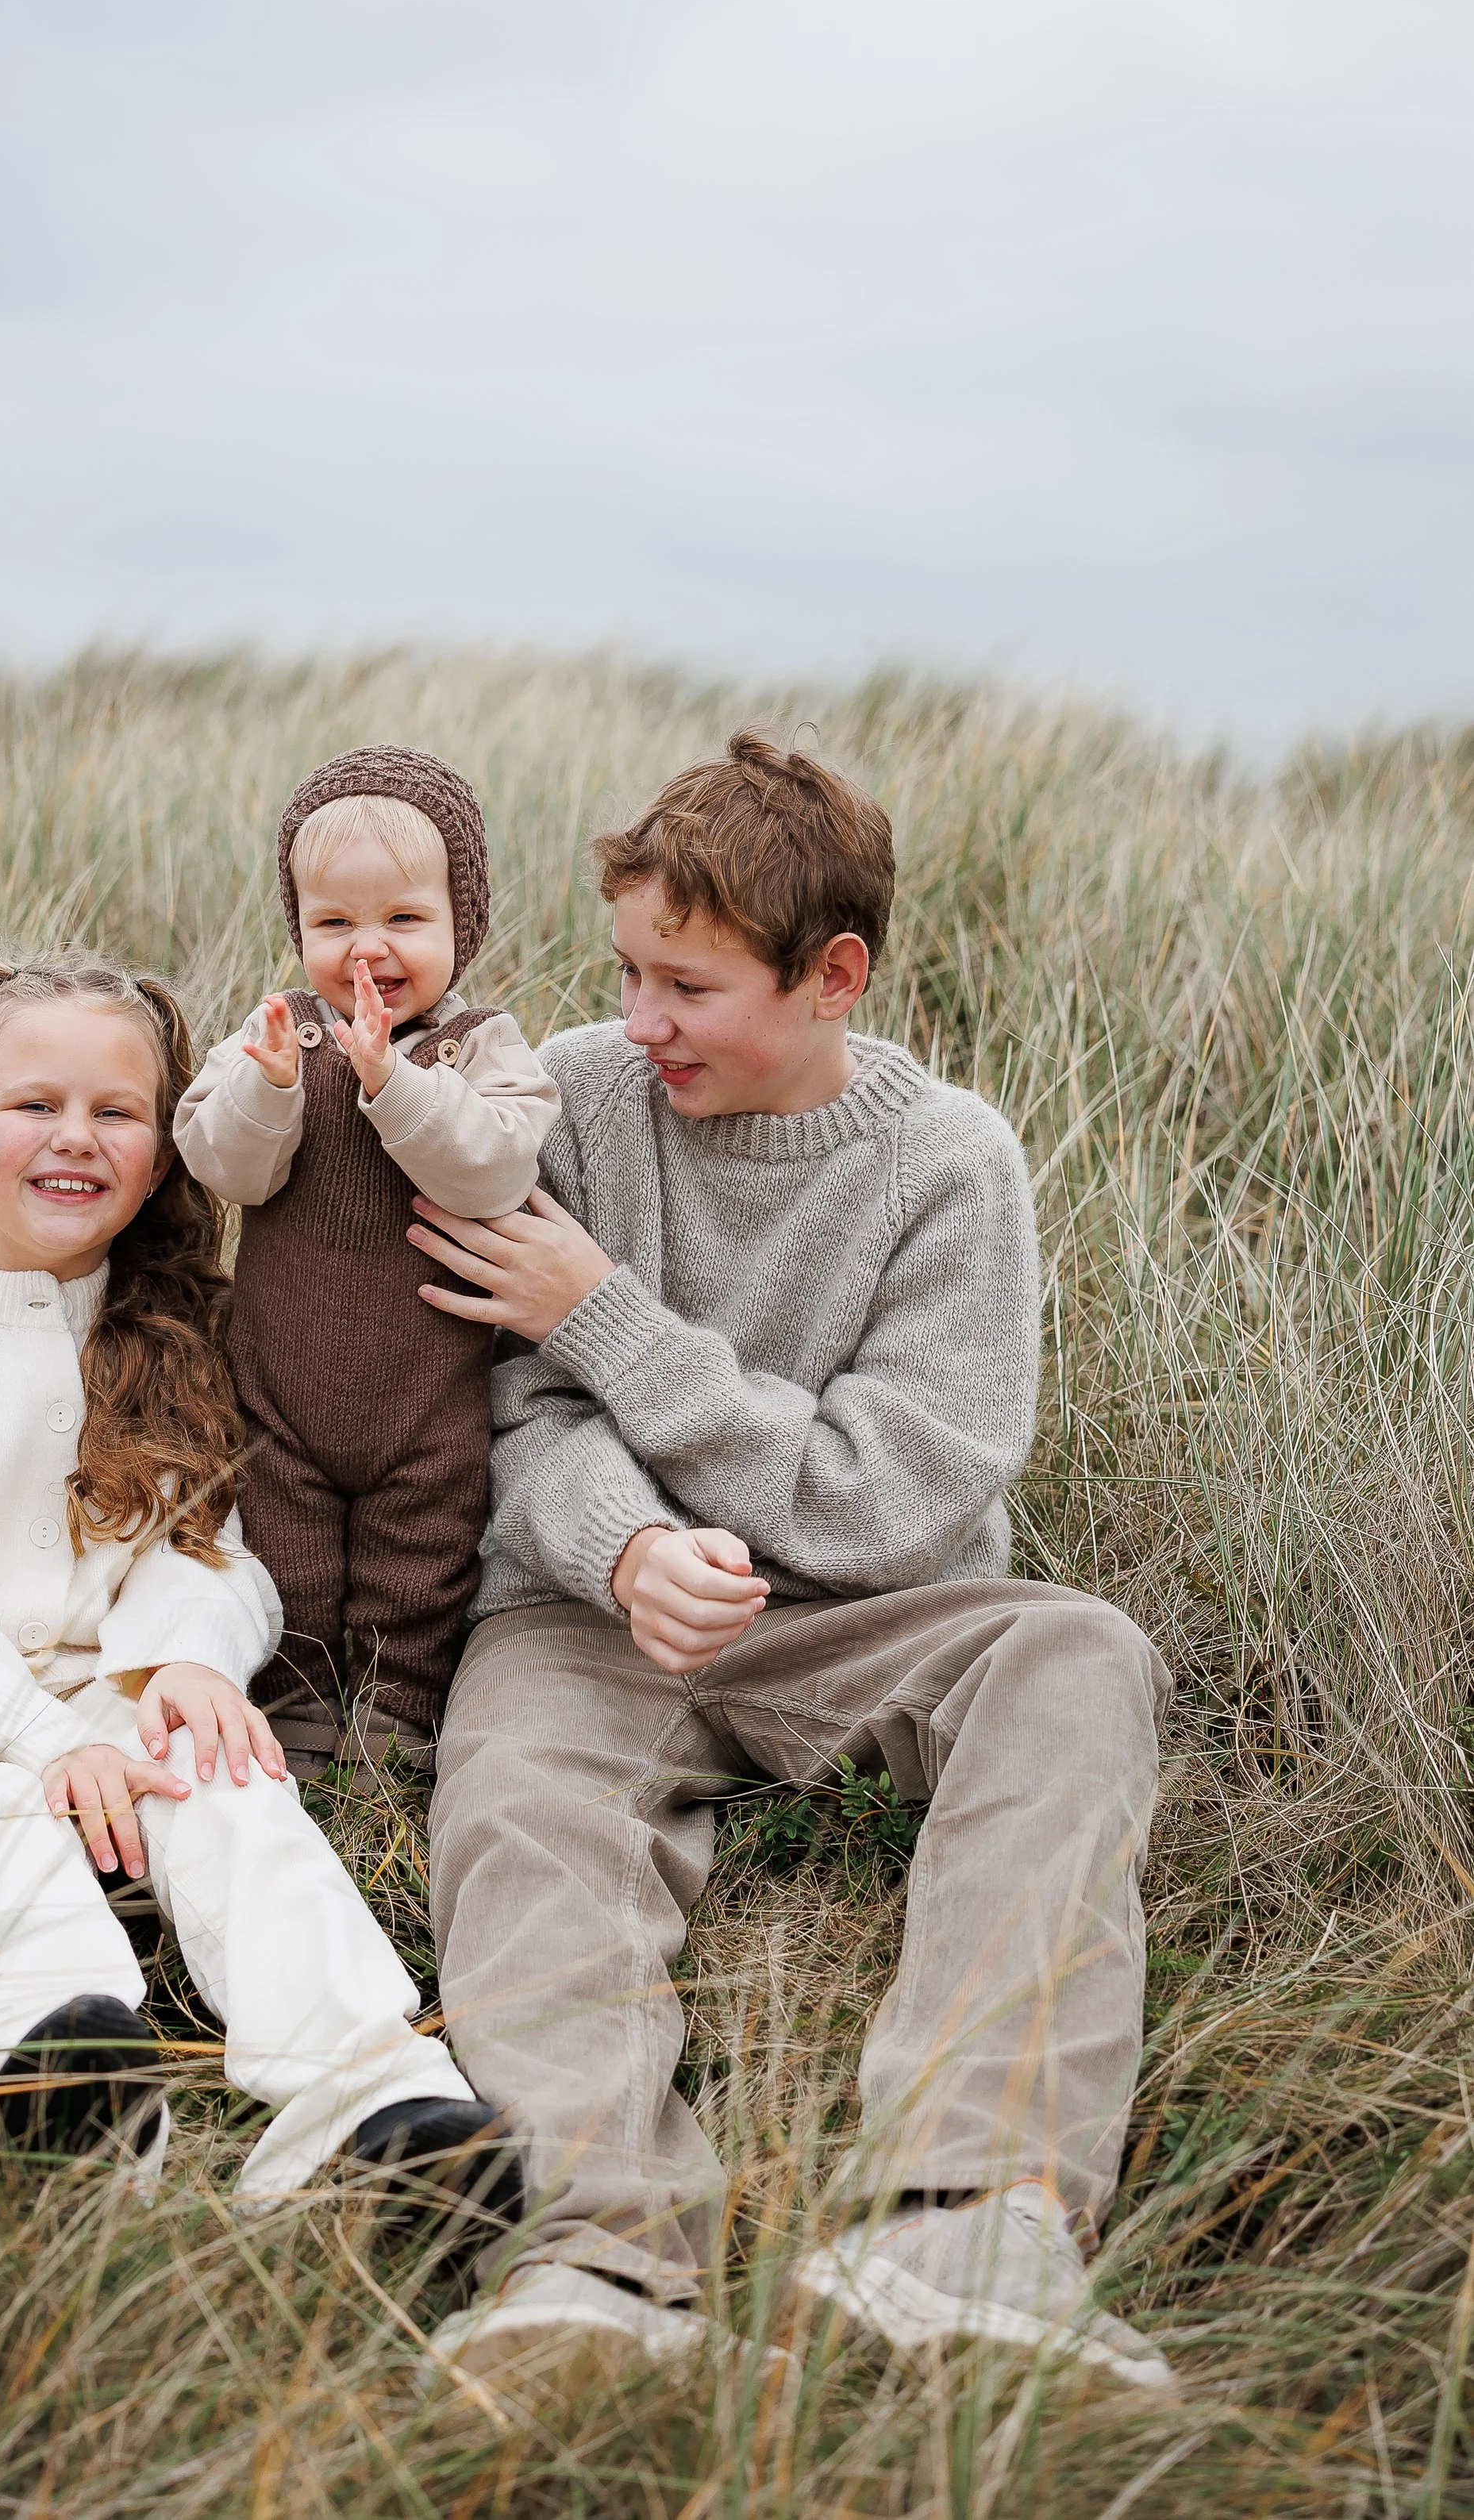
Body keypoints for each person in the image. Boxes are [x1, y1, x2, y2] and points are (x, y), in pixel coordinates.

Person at [405, 733, 1175, 2387]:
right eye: (626, 970)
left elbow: (894, 1502)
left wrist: (608, 1315)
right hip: (592, 1614)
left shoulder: (949, 1163)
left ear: (833, 977)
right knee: (518, 1796)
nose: (639, 1020)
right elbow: (513, 1413)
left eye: (686, 986)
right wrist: (624, 1550)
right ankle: (594, 2264)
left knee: (1077, 1652)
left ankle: (963, 2230)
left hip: (865, 1614)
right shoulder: (568, 1102)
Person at [0, 942, 514, 2216]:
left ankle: (371, 2104)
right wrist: (45, 1743)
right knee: (5, 1831)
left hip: (116, 1688)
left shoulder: (171, 1319)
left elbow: (210, 1542)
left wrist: (188, 1665)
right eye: (34, 1104)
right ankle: (39, 2111)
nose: (76, 1137)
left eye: (117, 1112)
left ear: (160, 1158)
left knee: (234, 1785)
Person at [174, 747, 557, 1785]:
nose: (368, 948)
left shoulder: (481, 1049)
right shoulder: (276, 1037)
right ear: (298, 927)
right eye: (334, 921)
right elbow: (224, 1166)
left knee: (421, 1552)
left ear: (461, 923)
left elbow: (492, 1170)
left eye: (404, 918)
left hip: (427, 1392)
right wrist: (267, 1091)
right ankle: (293, 1705)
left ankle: (397, 1713)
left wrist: (394, 1083)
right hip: (281, 1382)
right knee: (281, 1547)